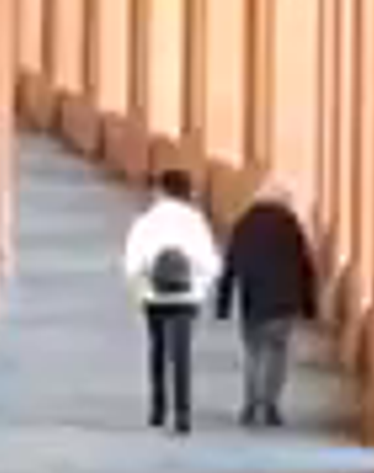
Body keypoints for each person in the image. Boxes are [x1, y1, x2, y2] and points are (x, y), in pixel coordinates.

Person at [120, 165, 221, 433]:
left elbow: (132, 263)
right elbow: (210, 263)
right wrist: (201, 288)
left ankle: (157, 409)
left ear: (161, 190)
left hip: (154, 294)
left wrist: (140, 290)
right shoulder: (195, 221)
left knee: (157, 350)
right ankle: (183, 414)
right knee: (182, 355)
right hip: (187, 296)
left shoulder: (145, 220)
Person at [214, 179, 319, 425]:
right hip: (284, 302)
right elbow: (305, 267)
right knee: (277, 353)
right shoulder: (290, 225)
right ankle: (271, 403)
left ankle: (250, 404)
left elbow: (230, 265)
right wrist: (309, 305)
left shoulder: (244, 223)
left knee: (253, 353)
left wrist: (224, 303)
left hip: (253, 300)